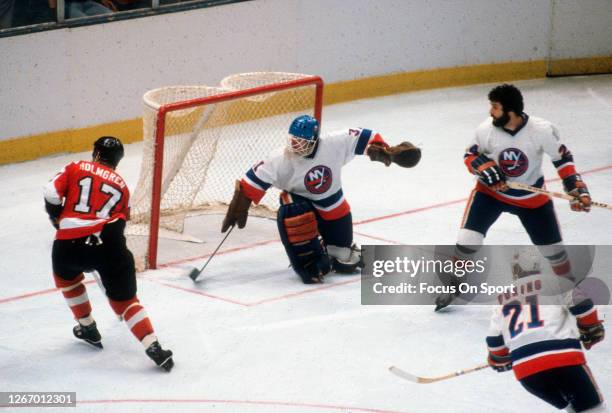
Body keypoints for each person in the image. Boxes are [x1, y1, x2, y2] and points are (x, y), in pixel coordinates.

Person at [435, 84, 592, 311]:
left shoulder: (542, 130)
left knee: (555, 251)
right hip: (491, 194)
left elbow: (562, 158)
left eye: (495, 107)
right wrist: (481, 165)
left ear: (511, 111)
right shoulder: (485, 129)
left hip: (531, 200)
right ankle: (454, 283)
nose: (491, 112)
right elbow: (470, 154)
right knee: (467, 239)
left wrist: (574, 186)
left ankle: (569, 291)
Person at [221, 115, 421, 284]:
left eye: (302, 141)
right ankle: (306, 257)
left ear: (315, 139)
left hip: (333, 207)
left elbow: (364, 136)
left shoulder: (334, 143)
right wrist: (239, 205)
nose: (295, 145)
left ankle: (329, 247)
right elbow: (250, 183)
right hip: (300, 203)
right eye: (293, 140)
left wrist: (384, 150)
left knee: (343, 258)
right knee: (294, 213)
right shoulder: (279, 159)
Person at [44, 136, 174, 372]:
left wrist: (56, 218)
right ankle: (153, 346)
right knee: (126, 302)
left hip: (69, 244)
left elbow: (51, 193)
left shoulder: (76, 167)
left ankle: (88, 327)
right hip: (109, 244)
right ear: (118, 160)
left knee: (67, 279)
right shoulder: (122, 187)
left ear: (95, 154)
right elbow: (125, 219)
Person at [486, 247, 606, 412]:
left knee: (575, 409)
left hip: (528, 374)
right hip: (564, 361)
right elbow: (583, 306)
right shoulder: (555, 281)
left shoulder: (501, 299)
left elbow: (496, 346)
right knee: (593, 409)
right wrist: (590, 328)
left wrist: (500, 361)